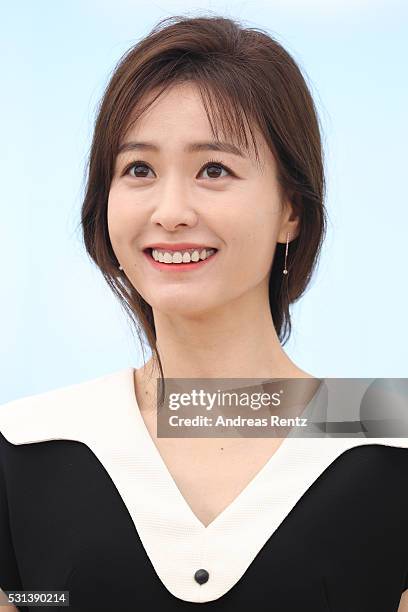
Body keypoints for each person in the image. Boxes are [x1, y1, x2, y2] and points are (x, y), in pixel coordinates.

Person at [1, 14, 407, 612]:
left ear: (291, 209)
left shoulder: (390, 434)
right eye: (138, 169)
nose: (170, 211)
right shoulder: (25, 445)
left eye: (213, 170)